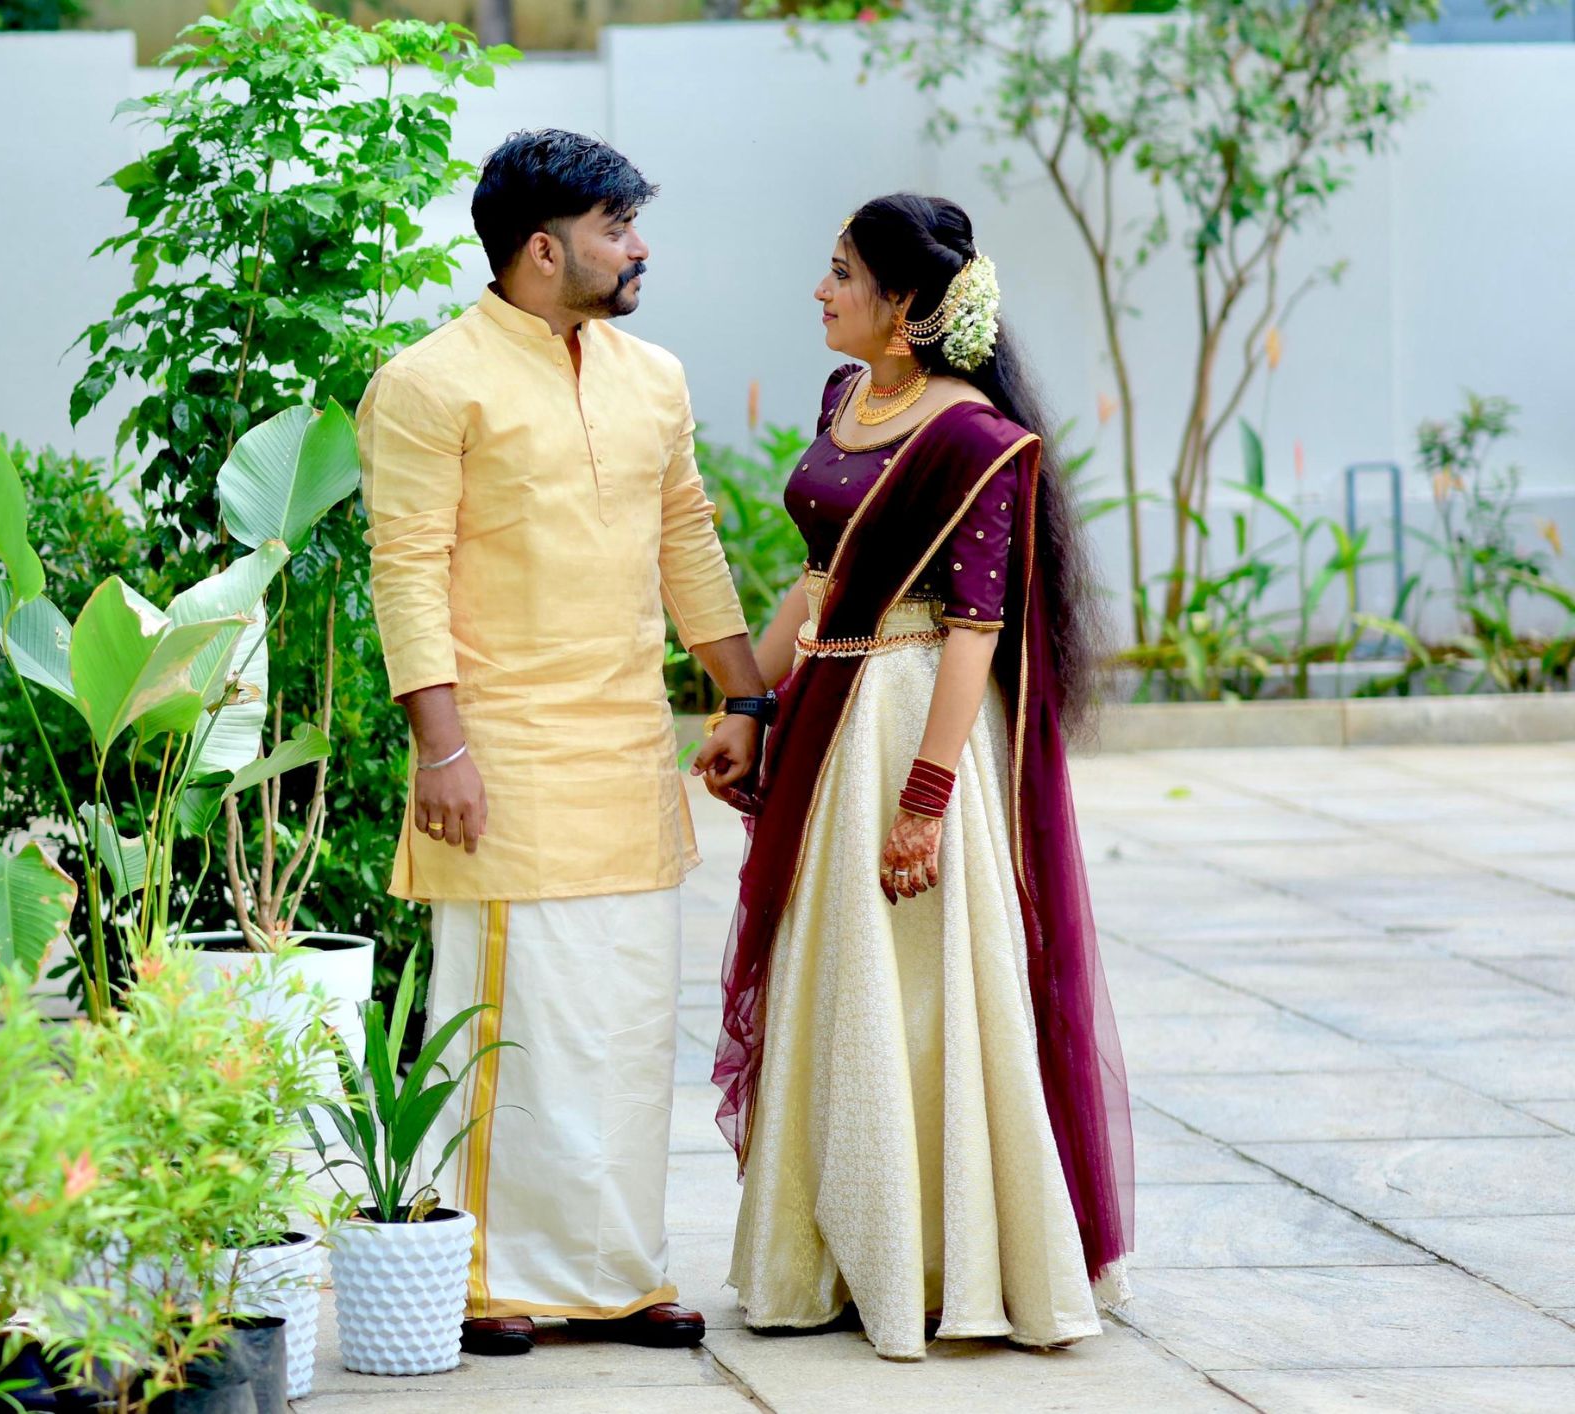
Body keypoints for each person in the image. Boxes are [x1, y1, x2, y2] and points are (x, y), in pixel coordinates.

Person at [356, 130, 768, 1358]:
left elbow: (686, 538)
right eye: (615, 228)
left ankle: (620, 1271)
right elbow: (405, 571)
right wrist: (441, 749)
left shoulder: (653, 375)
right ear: (542, 249)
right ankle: (489, 1272)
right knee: (517, 1028)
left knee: (625, 1028)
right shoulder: (431, 382)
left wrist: (742, 699)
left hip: (626, 750)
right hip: (504, 756)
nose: (639, 248)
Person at [712, 193, 1135, 1361]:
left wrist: (925, 798)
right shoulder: (844, 398)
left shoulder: (975, 441)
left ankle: (940, 1258)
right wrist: (748, 700)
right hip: (825, 715)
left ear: (903, 306)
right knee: (835, 976)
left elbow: (974, 630)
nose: (820, 289)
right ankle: (828, 1252)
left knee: (918, 987)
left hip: (908, 721)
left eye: (840, 272)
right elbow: (817, 577)